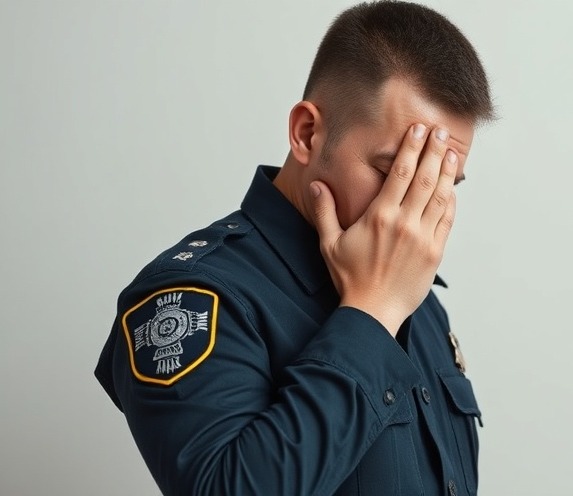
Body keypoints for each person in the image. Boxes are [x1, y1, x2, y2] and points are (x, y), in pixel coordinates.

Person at [94, 1, 494, 495]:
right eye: (396, 172)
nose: (415, 207)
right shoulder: (192, 297)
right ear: (307, 133)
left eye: (441, 181)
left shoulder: (420, 297)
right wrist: (372, 313)